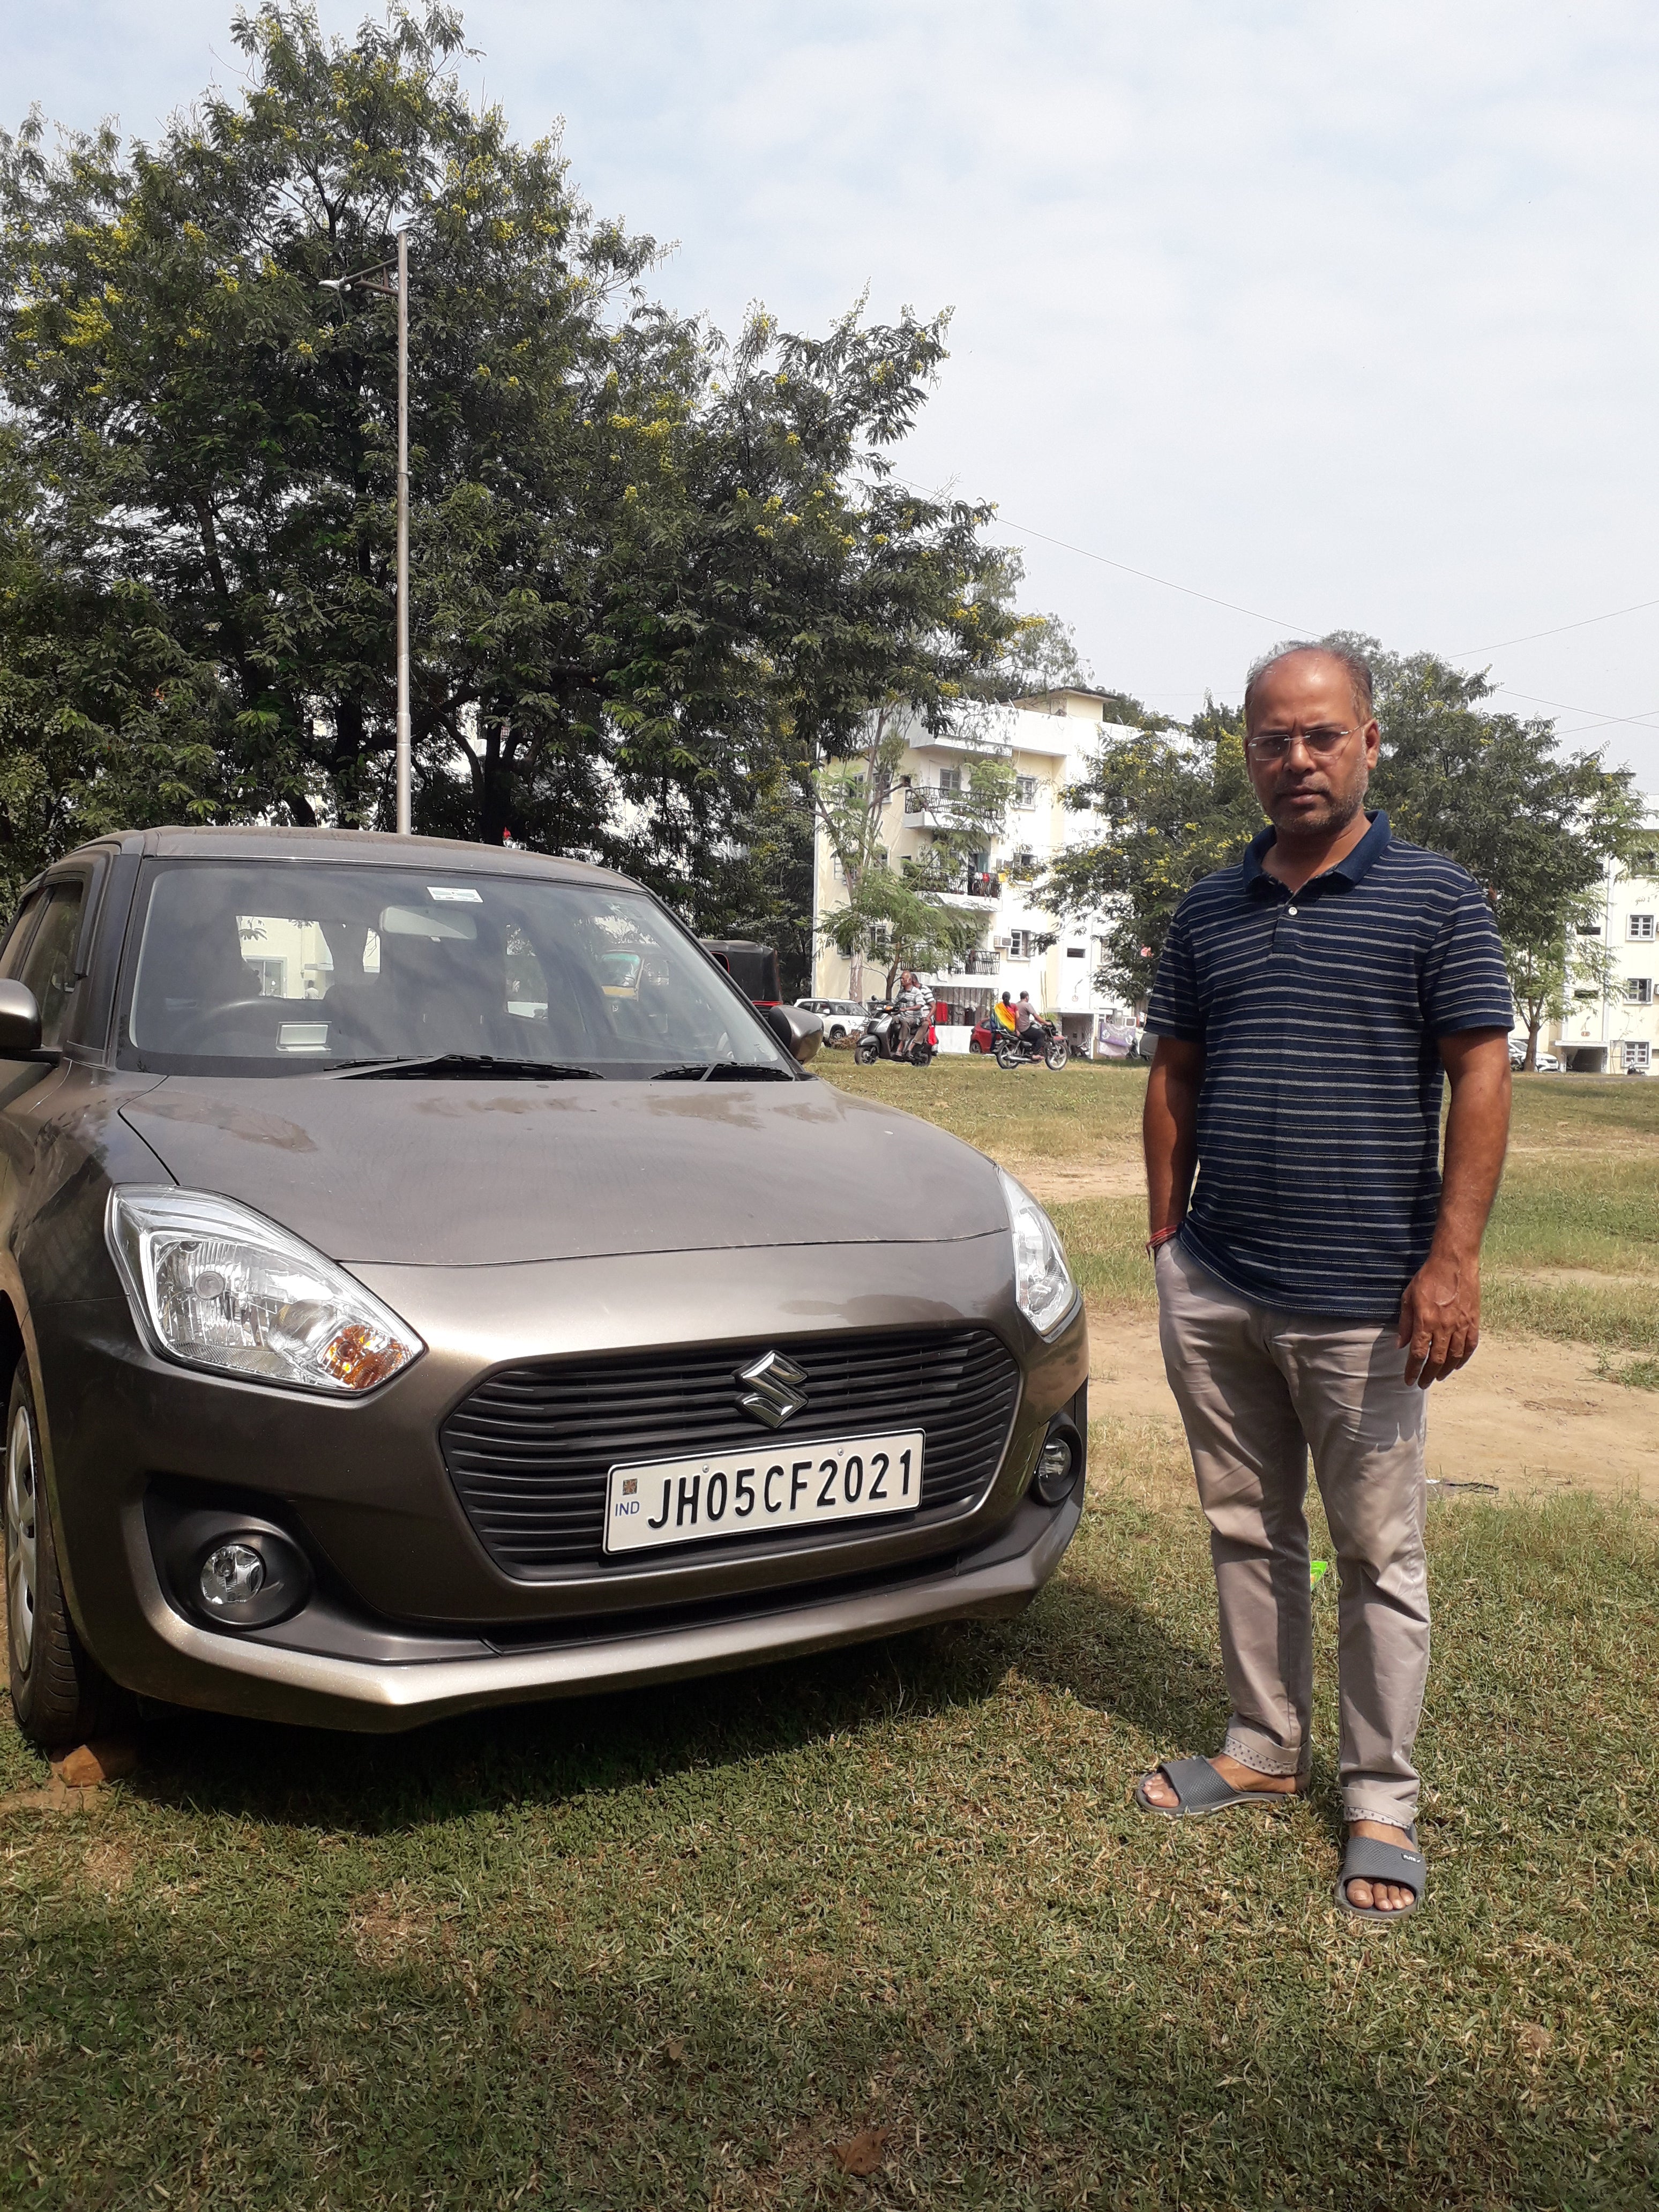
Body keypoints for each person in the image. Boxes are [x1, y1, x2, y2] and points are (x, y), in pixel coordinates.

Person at [1136, 641, 1512, 1923]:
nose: (1295, 760)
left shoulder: (1437, 899)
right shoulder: (1207, 910)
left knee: (1376, 1553)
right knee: (1247, 1527)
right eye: (1270, 739)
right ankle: (1260, 1747)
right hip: (1223, 1281)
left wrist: (1450, 1263)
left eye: (1320, 737)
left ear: (1366, 743)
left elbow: (1480, 1071)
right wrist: (1164, 1244)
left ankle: (1381, 1801)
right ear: (1247, 749)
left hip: (1367, 1300)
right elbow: (1173, 1072)